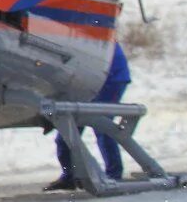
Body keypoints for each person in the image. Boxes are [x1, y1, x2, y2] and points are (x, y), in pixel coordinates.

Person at [47, 42, 133, 190]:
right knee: (68, 129)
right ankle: (70, 175)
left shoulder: (88, 37)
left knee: (102, 126)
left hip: (109, 79)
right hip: (85, 79)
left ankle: (114, 174)